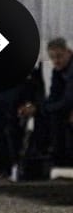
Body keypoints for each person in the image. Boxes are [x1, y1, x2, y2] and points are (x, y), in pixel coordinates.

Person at [17, 36, 73, 167]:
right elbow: (54, 96)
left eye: (59, 57)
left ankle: (60, 157)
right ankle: (41, 155)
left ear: (68, 52)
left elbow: (68, 99)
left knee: (54, 116)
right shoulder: (58, 72)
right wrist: (39, 108)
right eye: (53, 58)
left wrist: (43, 108)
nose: (56, 61)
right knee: (44, 116)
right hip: (65, 107)